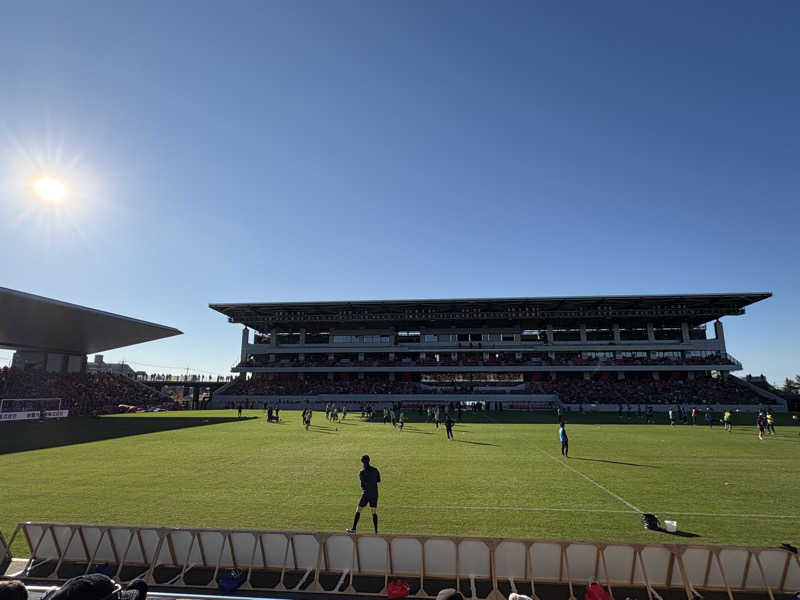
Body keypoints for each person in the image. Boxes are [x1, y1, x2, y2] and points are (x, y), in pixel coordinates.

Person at [347, 454, 381, 534]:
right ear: (369, 460)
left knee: (358, 509)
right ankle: (376, 531)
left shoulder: (362, 472)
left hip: (366, 494)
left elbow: (362, 484)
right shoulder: (375, 470)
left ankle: (354, 528)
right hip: (374, 493)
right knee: (374, 511)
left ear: (362, 462)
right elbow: (378, 480)